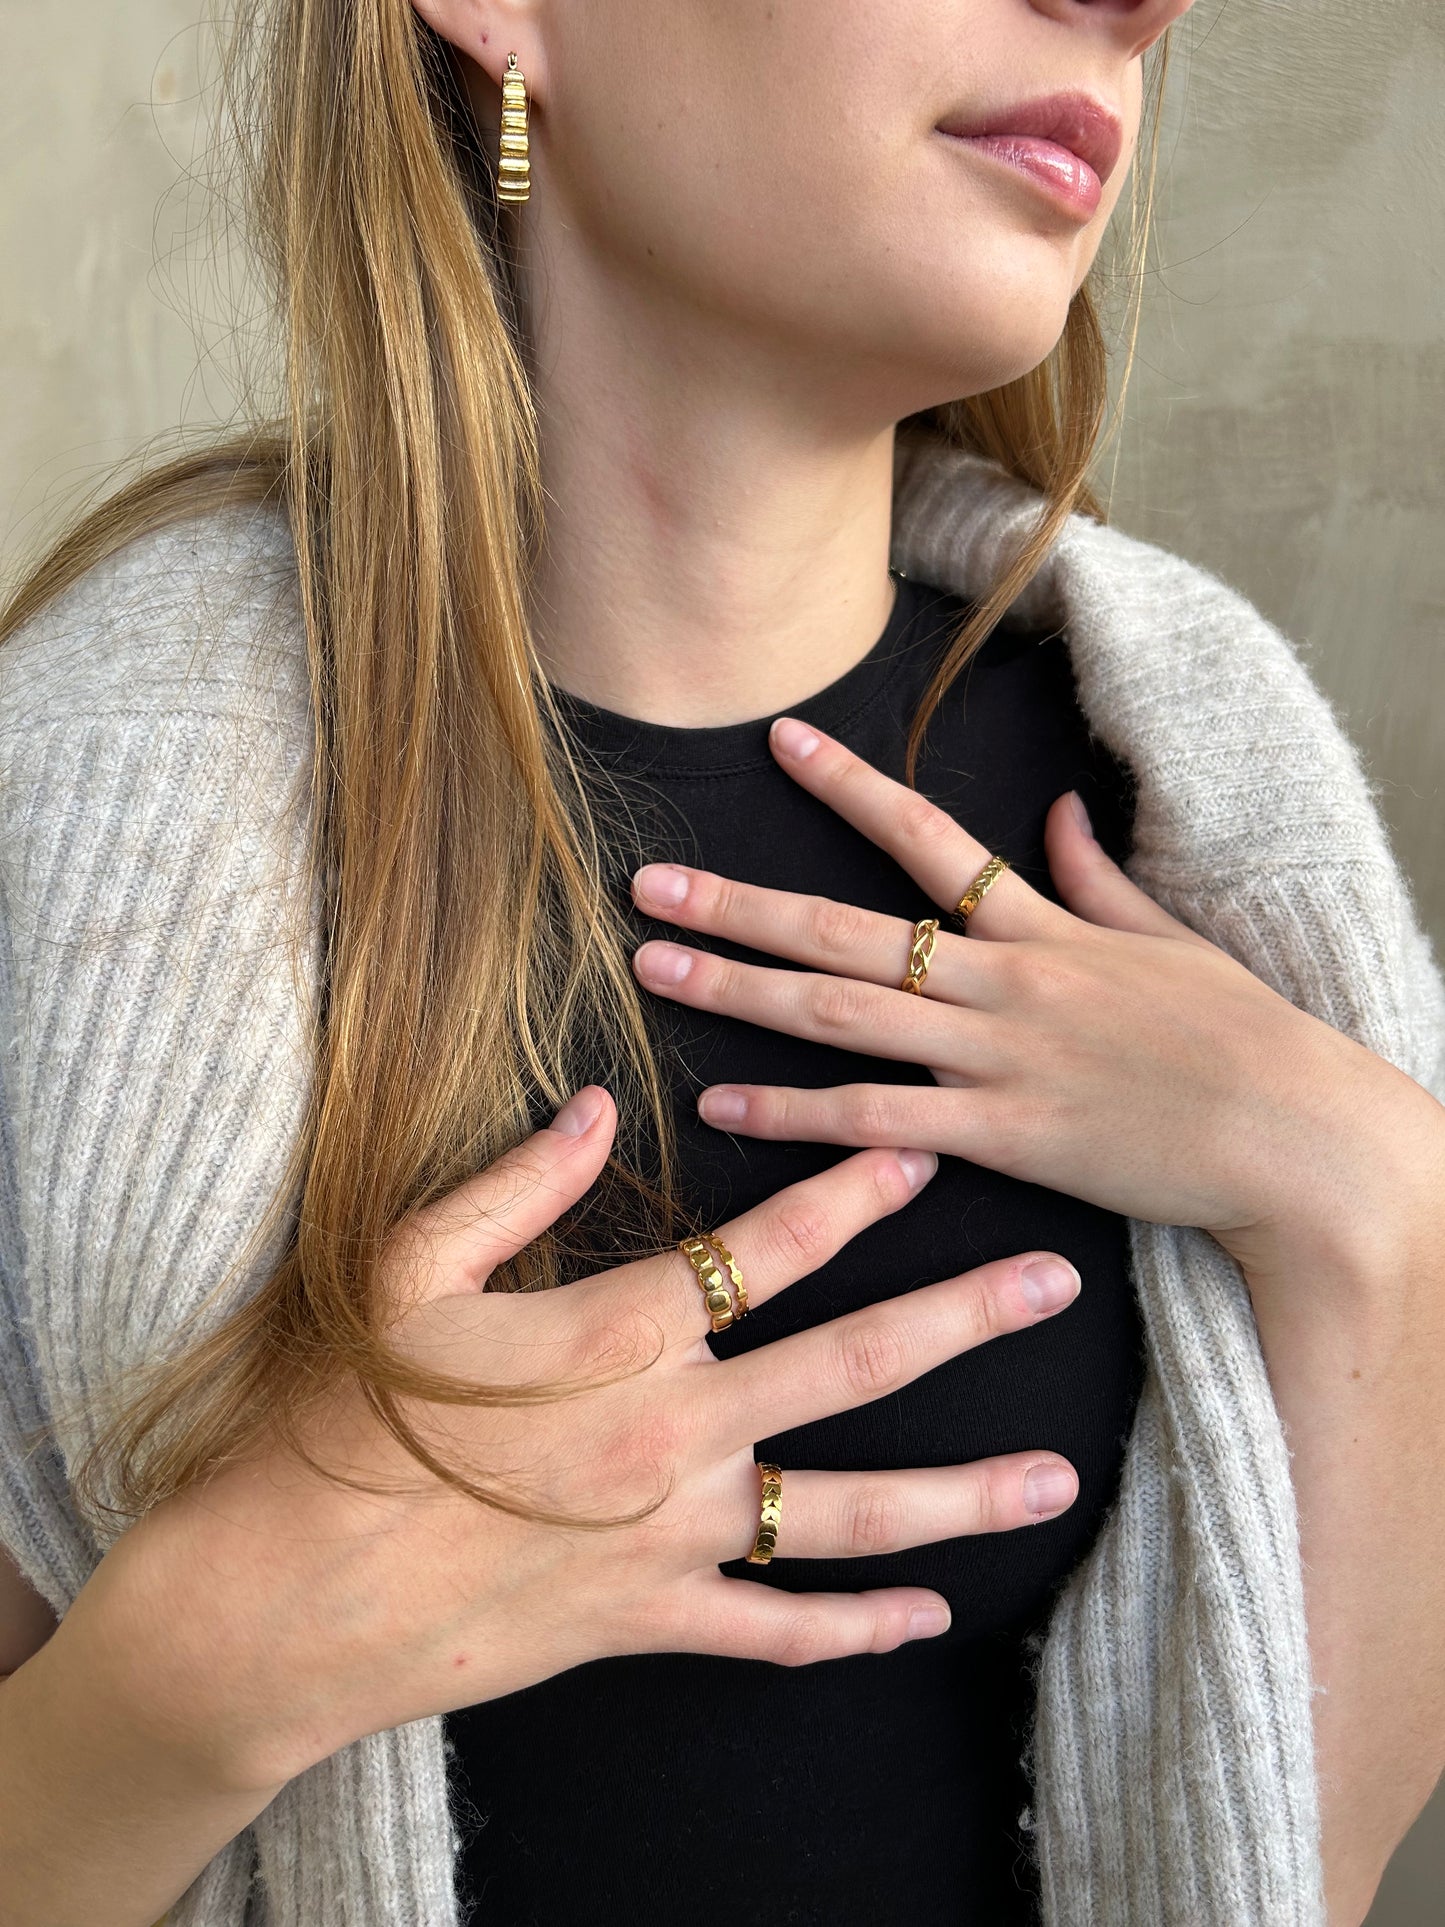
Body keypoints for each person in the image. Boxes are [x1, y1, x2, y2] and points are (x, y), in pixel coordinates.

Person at [2, 4, 1443, 1925]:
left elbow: (1293, 1875)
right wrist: (208, 1664)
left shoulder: (1201, 814)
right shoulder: (87, 843)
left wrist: (1374, 1194)